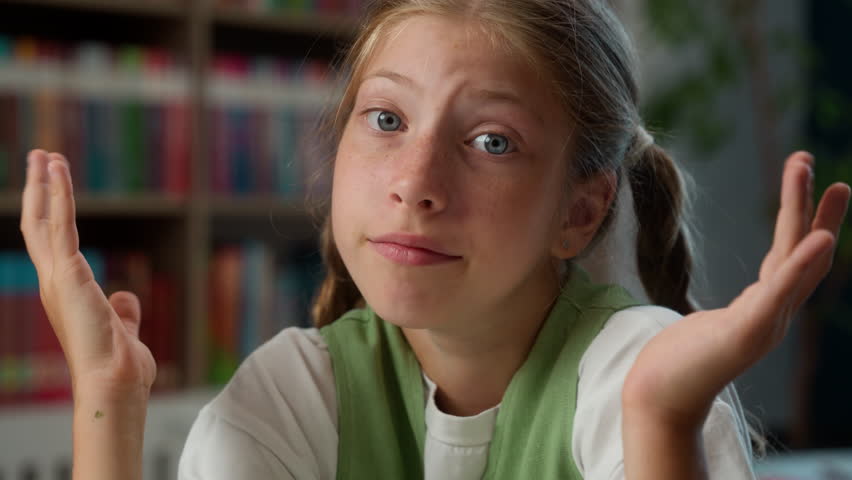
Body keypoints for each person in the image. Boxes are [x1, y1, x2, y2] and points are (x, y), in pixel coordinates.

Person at [18, 1, 851, 479]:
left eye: (492, 141)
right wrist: (109, 400)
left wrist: (662, 420)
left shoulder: (640, 377)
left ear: (581, 212)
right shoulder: (292, 397)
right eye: (386, 119)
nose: (415, 180)